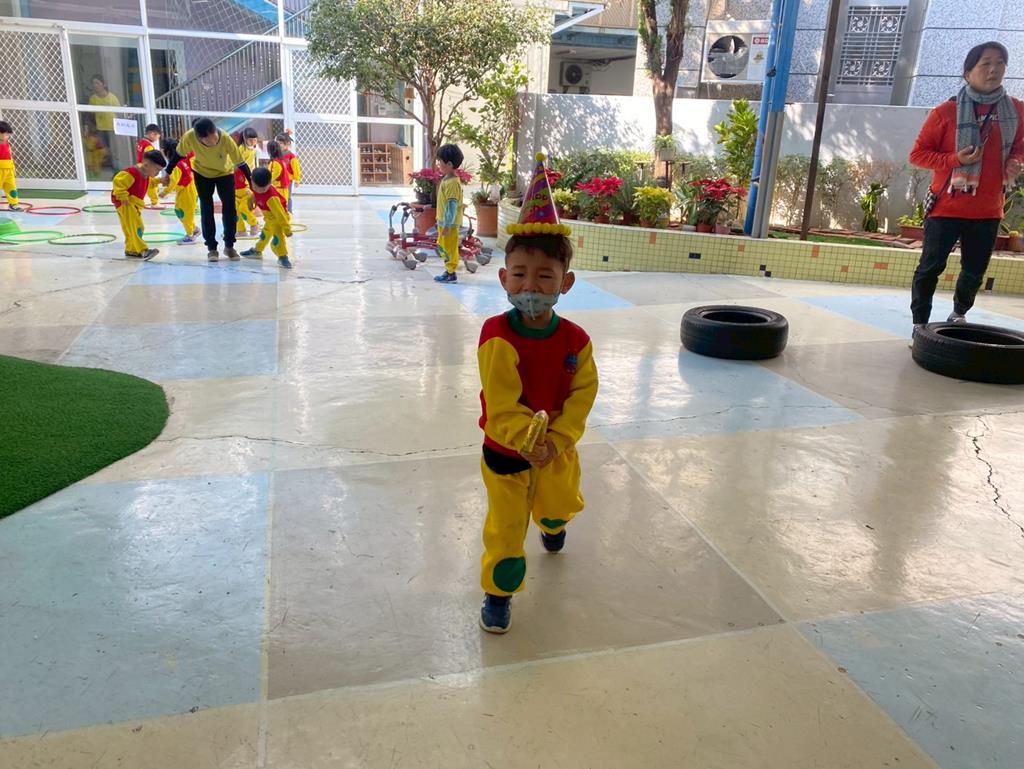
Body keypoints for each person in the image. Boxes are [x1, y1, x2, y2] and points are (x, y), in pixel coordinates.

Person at [476, 154, 599, 634]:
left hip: (557, 454)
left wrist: (558, 441)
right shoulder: (496, 336)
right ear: (503, 278)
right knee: (506, 529)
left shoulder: (576, 341)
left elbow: (583, 395)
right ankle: (498, 593)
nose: (530, 285)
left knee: (556, 505)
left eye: (544, 276)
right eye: (519, 274)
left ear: (564, 283)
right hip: (507, 455)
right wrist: (527, 441)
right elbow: (501, 402)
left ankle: (553, 523)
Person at [908, 41, 1024, 336]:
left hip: (988, 210)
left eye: (1000, 63)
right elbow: (918, 155)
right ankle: (919, 324)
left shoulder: (1016, 110)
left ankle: (959, 314)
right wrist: (955, 160)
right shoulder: (946, 112)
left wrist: (1015, 161)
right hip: (945, 208)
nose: (994, 69)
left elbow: (1020, 147)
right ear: (967, 72)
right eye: (985, 63)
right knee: (930, 267)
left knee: (974, 271)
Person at [177, 117, 252, 262]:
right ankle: (211, 248)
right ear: (200, 138)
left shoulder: (225, 138)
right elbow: (178, 155)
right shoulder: (190, 137)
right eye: (208, 141)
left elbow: (241, 162)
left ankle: (229, 246)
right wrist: (167, 171)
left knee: (230, 209)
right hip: (202, 173)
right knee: (206, 208)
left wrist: (251, 181)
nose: (213, 142)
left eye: (214, 138)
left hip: (225, 173)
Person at [112, 149, 166, 260]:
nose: (157, 173)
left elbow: (149, 183)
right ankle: (143, 250)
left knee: (130, 228)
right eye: (157, 170)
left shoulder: (145, 174)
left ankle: (131, 249)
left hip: (133, 204)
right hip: (127, 204)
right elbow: (118, 181)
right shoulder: (132, 173)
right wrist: (123, 197)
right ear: (146, 165)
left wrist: (160, 181)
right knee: (136, 227)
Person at [240, 166, 293, 269]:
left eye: (263, 189)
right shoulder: (256, 186)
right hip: (270, 219)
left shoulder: (272, 198)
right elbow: (255, 194)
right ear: (252, 181)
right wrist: (251, 200)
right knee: (265, 235)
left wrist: (287, 229)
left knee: (278, 239)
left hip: (278, 219)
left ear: (270, 183)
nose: (259, 191)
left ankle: (283, 256)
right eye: (256, 188)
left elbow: (280, 214)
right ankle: (257, 251)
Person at [432, 143, 466, 283]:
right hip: (444, 222)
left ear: (449, 164)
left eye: (440, 161)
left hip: (449, 224)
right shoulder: (447, 179)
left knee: (450, 248)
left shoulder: (452, 183)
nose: (438, 164)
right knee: (444, 246)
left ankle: (451, 273)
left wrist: (446, 225)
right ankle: (449, 270)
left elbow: (451, 206)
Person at [159, 138, 199, 246]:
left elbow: (173, 181)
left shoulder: (176, 165)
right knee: (182, 212)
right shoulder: (184, 160)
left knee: (184, 214)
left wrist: (165, 192)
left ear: (167, 152)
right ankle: (194, 229)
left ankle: (190, 235)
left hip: (187, 191)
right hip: (189, 189)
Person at [88, 75, 121, 171]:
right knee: (103, 149)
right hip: (100, 128)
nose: (95, 85)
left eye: (97, 83)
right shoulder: (93, 99)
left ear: (104, 84)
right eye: (93, 83)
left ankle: (116, 168)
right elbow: (91, 114)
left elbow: (119, 112)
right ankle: (107, 166)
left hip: (112, 128)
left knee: (114, 149)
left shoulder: (112, 97)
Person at [236, 129, 260, 236]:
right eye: (251, 140)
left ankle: (254, 223)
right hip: (236, 182)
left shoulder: (254, 149)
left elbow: (252, 165)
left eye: (255, 140)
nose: (253, 142)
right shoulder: (241, 149)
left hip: (246, 183)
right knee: (236, 209)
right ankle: (241, 230)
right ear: (245, 139)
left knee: (243, 208)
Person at [136, 123, 162, 206]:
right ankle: (155, 202)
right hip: (146, 167)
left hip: (139, 165)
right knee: (151, 185)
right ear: (152, 134)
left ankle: (137, 200)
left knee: (143, 185)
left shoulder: (141, 142)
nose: (157, 139)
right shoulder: (148, 146)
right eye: (157, 137)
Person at [0, 120, 23, 211]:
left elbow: (10, 156)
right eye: (6, 134)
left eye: (8, 134)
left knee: (11, 187)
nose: (8, 136)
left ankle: (13, 204)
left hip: (9, 170)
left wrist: (13, 168)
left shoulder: (7, 144)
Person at [277, 131, 301, 212]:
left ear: (288, 144)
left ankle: (289, 211)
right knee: (278, 195)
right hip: (278, 179)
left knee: (287, 196)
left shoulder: (291, 156)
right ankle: (280, 211)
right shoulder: (277, 155)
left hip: (288, 180)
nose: (278, 145)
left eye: (280, 143)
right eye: (277, 143)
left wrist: (297, 179)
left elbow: (296, 169)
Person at [266, 140, 292, 208]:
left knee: (280, 208)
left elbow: (271, 177)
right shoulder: (281, 161)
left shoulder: (276, 163)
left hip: (279, 190)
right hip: (281, 189)